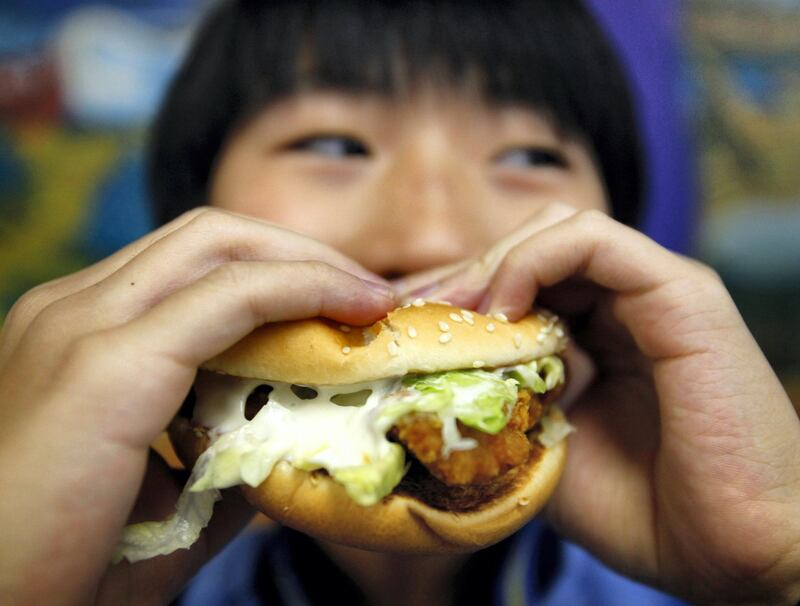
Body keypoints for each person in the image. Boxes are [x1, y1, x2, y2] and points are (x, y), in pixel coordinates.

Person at [1, 1, 798, 604]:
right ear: (190, 213)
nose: (432, 229)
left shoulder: (715, 570)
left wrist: (779, 566)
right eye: (334, 144)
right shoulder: (84, 572)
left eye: (529, 154)